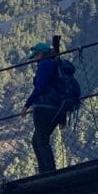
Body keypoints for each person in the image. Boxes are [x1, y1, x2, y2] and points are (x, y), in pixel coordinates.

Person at [21, 41, 66, 174]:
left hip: (45, 107)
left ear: (41, 54)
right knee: (37, 140)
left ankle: (48, 172)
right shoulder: (55, 64)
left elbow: (39, 87)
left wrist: (27, 105)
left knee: (40, 141)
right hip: (56, 107)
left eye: (35, 56)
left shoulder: (45, 65)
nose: (34, 60)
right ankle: (46, 171)